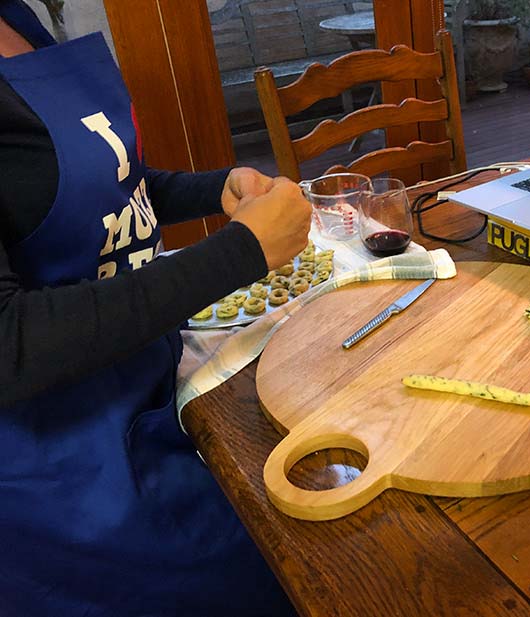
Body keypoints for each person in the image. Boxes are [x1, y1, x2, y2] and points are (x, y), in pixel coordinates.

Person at [0, 1, 311, 615]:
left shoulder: (21, 16)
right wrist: (241, 252)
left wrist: (211, 189)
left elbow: (93, 189)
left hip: (145, 392)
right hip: (62, 469)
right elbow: (8, 344)